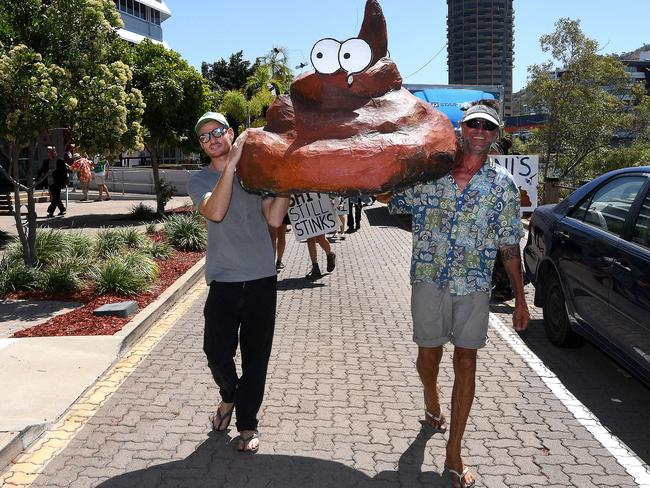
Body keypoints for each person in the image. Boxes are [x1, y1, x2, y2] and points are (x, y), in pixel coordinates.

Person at [384, 102, 530, 488]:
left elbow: (510, 245)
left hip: (474, 286)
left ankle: (454, 450)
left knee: (466, 363)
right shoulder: (431, 175)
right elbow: (390, 198)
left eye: (488, 126)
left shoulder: (503, 186)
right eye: (474, 124)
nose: (480, 130)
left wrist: (520, 298)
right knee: (428, 358)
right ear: (461, 129)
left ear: (496, 134)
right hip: (429, 280)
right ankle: (431, 397)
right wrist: (398, 161)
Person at [188, 112, 289, 453]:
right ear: (202, 146)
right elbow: (215, 211)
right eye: (205, 137)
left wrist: (288, 184)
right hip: (224, 281)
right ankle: (229, 395)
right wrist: (230, 167)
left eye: (217, 132)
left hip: (261, 278)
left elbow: (274, 218)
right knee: (215, 352)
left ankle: (247, 424)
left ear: (230, 133)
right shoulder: (199, 179)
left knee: (256, 358)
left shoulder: (255, 175)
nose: (212, 139)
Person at [41, 147, 68, 217]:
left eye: (49, 152)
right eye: (48, 152)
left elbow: (63, 172)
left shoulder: (59, 161)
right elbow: (42, 170)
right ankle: (62, 209)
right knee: (56, 196)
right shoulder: (47, 161)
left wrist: (65, 180)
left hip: (57, 181)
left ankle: (50, 211)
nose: (48, 154)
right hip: (50, 181)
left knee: (55, 197)